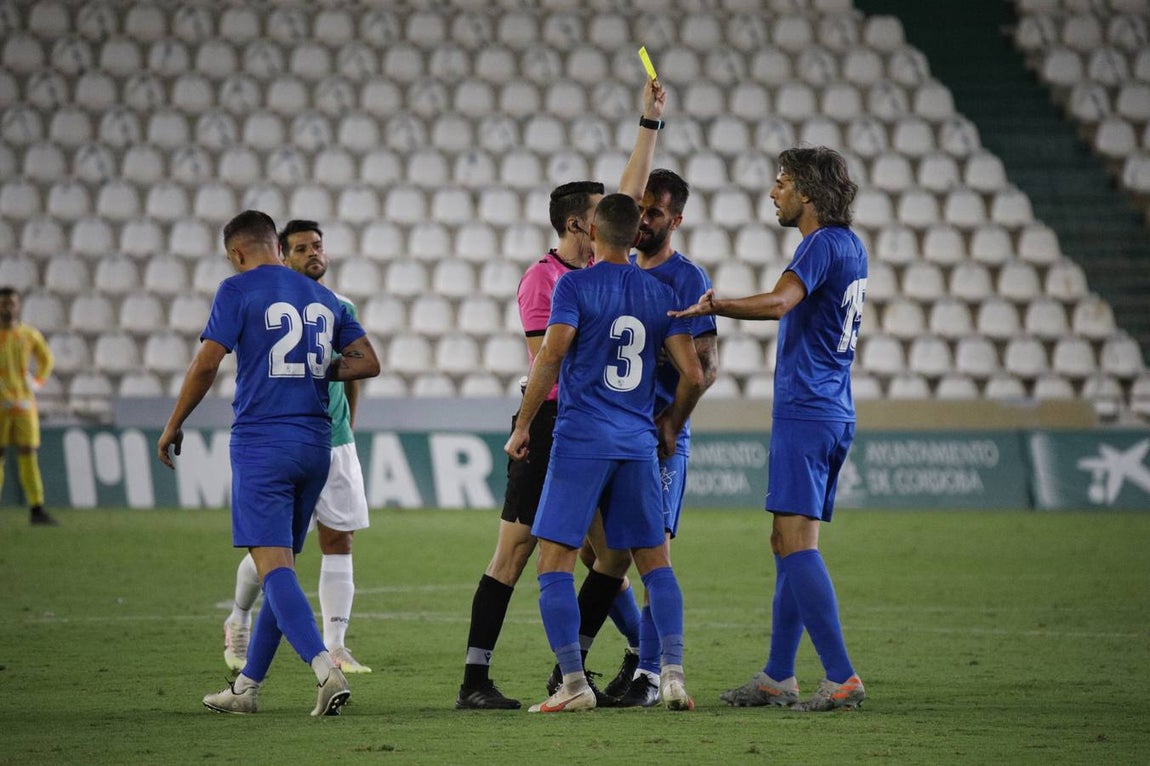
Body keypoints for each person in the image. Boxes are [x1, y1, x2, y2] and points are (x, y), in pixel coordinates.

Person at [456, 77, 666, 711]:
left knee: (612, 553)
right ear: (580, 223)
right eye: (602, 208)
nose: (617, 212)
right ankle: (476, 679)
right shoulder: (544, 281)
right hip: (552, 425)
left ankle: (599, 666)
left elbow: (629, 189)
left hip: (597, 428)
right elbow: (545, 360)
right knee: (518, 552)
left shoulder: (599, 273)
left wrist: (648, 124)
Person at [157, 210, 380, 716]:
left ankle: (325, 669)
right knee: (286, 567)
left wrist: (173, 423)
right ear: (277, 248)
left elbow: (207, 363)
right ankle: (247, 689)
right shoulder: (326, 299)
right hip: (316, 445)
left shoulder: (237, 290)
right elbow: (369, 361)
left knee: (274, 567)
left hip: (263, 443)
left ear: (237, 254)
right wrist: (325, 366)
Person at [670, 146, 868, 712]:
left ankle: (841, 676)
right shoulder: (850, 246)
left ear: (807, 192)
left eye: (781, 182)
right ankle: (778, 676)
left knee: (795, 543)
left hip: (807, 412)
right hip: (831, 408)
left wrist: (718, 304)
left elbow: (783, 302)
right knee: (786, 541)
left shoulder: (820, 244)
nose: (773, 192)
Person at [508, 187, 705, 713]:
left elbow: (549, 357)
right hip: (638, 443)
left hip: (580, 441)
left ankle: (573, 685)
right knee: (656, 564)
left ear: (592, 232)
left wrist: (523, 425)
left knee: (554, 562)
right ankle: (673, 676)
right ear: (635, 232)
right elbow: (693, 373)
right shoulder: (660, 292)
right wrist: (669, 423)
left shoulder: (574, 286)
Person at [222, 219, 373, 677]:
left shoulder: (337, 305)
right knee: (273, 550)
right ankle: (239, 618)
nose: (314, 253)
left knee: (339, 538)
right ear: (282, 256)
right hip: (286, 436)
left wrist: (348, 424)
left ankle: (335, 645)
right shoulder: (265, 300)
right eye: (302, 247)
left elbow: (358, 369)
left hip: (333, 441)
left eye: (318, 246)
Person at [609, 168, 719, 707]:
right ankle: (638, 648)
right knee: (600, 554)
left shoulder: (687, 279)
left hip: (660, 435)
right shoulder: (621, 269)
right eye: (640, 209)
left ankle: (651, 676)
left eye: (654, 212)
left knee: (654, 554)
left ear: (675, 219)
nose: (643, 219)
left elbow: (708, 366)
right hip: (617, 433)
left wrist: (672, 423)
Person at [0, 286, 57, 526]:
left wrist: (38, 382)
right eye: (4, 303)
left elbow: (47, 359)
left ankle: (36, 508)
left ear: (18, 305)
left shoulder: (28, 334)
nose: (8, 307)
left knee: (28, 454)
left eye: (11, 302)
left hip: (24, 404)